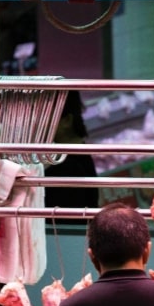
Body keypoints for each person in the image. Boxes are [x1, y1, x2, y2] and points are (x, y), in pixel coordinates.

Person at [44, 90, 99, 224]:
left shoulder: (68, 170)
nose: (37, 122)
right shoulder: (79, 156)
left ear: (66, 120)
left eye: (44, 115)